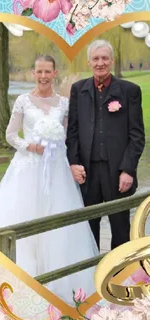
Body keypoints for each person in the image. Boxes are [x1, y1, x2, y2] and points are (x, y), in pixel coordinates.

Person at [0, 55, 99, 304]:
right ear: (33, 73)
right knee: (24, 220)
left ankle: (60, 283)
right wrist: (29, 145)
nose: (43, 76)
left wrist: (59, 148)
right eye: (39, 71)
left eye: (47, 72)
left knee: (59, 225)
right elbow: (10, 135)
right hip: (28, 169)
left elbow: (68, 136)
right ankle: (21, 282)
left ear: (54, 73)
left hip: (56, 171)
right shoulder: (23, 101)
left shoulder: (64, 103)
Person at [66, 40, 145, 251]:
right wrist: (74, 163)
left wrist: (128, 170)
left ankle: (119, 277)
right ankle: (90, 277)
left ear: (111, 60)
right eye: (95, 58)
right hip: (86, 173)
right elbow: (72, 131)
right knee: (87, 229)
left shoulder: (130, 91)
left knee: (120, 229)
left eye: (104, 58)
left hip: (118, 173)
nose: (100, 63)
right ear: (89, 61)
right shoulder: (78, 90)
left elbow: (137, 135)